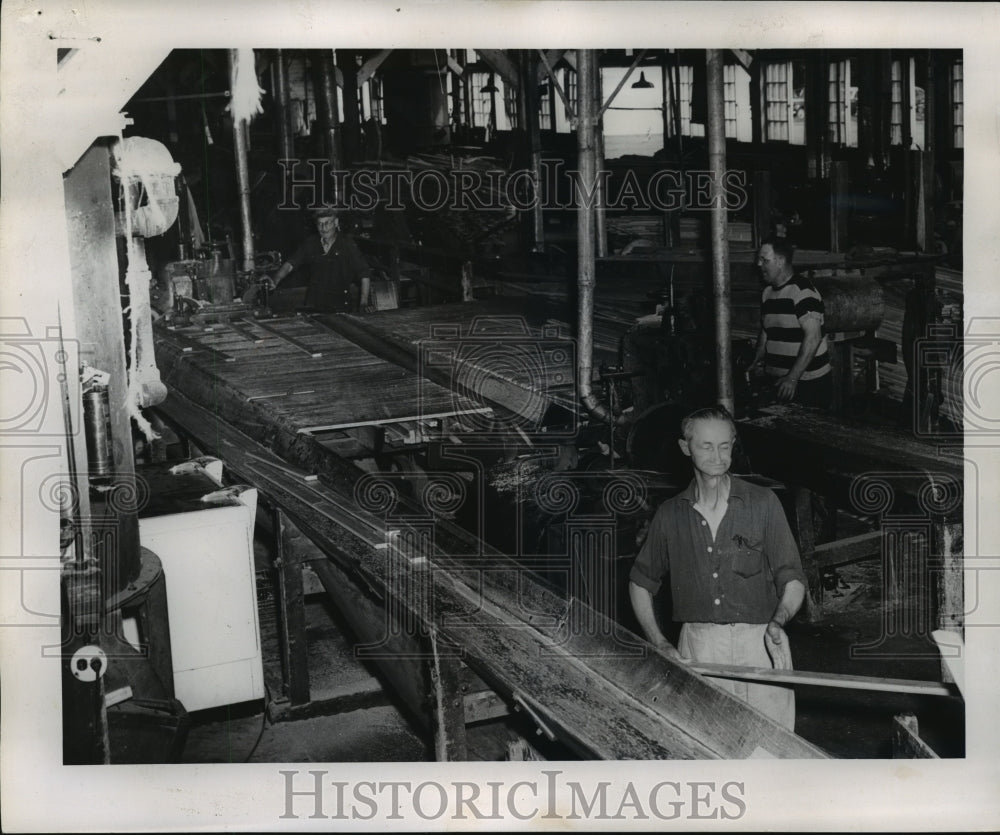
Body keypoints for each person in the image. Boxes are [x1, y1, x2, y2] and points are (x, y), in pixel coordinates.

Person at [628, 405, 806, 730]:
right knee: (708, 746)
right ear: (686, 447)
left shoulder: (763, 503)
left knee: (771, 751)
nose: (717, 455)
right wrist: (660, 643)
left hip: (761, 643)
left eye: (725, 446)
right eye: (706, 446)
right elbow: (641, 581)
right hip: (700, 645)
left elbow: (791, 577)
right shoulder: (670, 515)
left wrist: (780, 620)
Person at [748, 237, 832, 408]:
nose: (758, 264)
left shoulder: (802, 292)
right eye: (759, 260)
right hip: (778, 380)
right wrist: (755, 360)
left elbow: (813, 337)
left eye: (764, 260)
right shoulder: (767, 293)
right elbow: (766, 332)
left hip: (807, 382)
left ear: (780, 261)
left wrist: (793, 377)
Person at [245, 207, 372, 313]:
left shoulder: (347, 244)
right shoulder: (311, 243)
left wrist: (363, 303)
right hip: (314, 303)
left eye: (328, 223)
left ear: (336, 223)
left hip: (340, 305)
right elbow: (291, 264)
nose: (324, 227)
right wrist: (276, 280)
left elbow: (364, 273)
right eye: (320, 224)